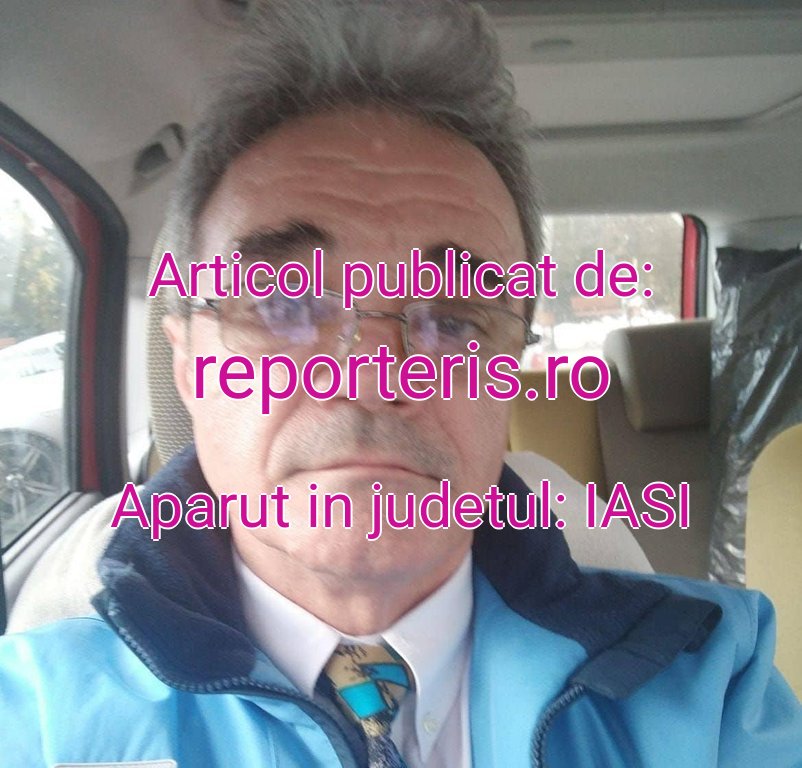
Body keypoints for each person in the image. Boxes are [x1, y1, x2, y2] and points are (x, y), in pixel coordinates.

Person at [1, 1, 800, 766]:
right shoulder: (37, 720)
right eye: (284, 303)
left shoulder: (709, 691)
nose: (372, 376)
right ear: (188, 365)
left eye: (452, 318)